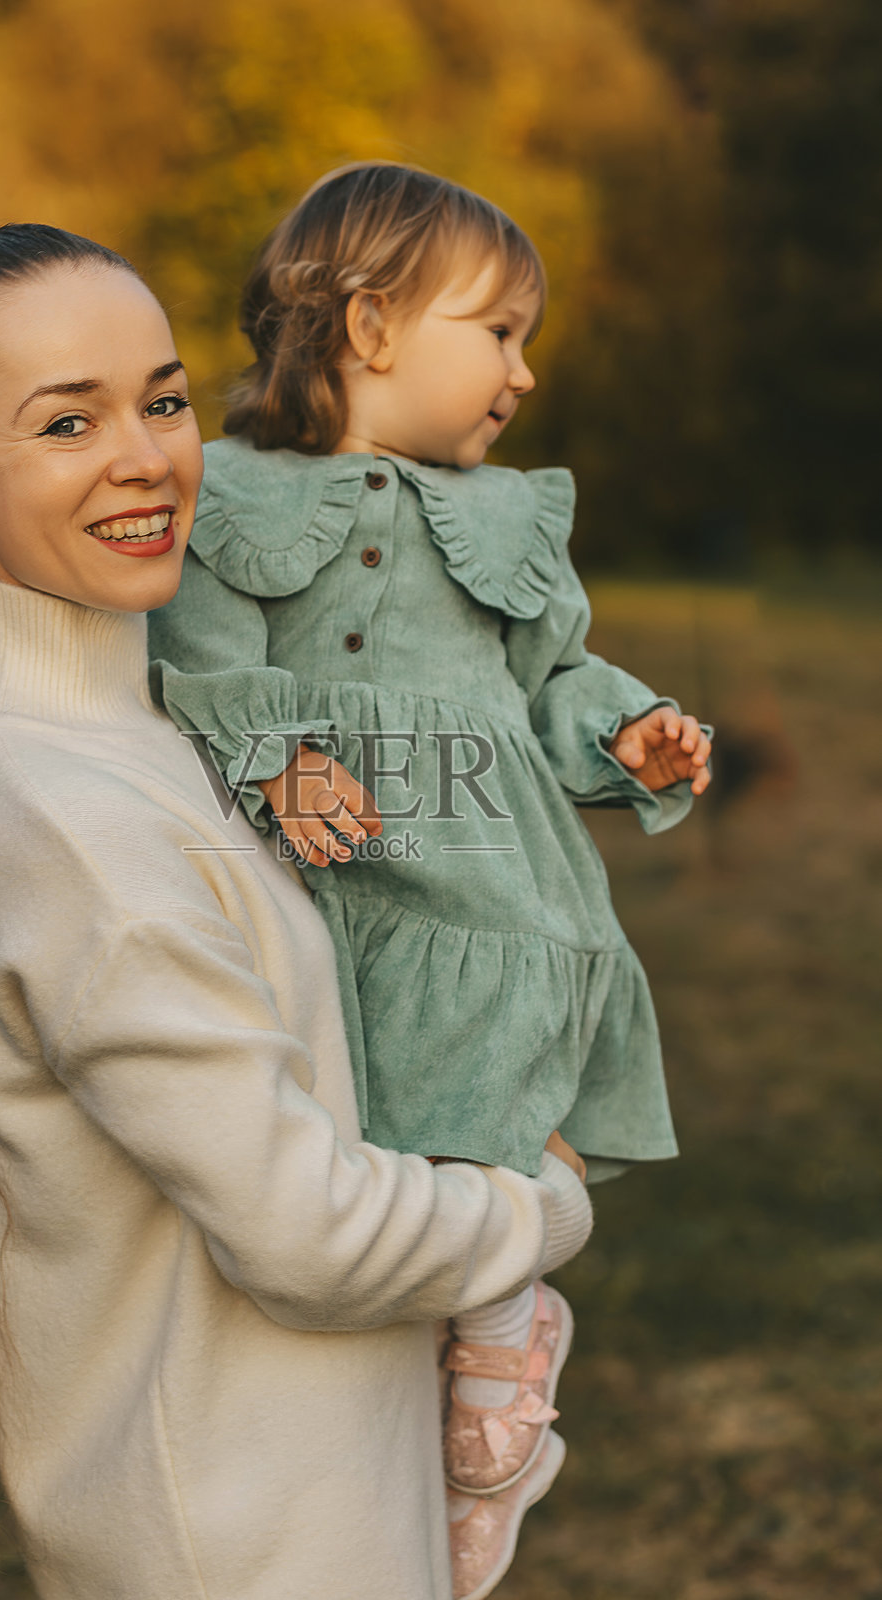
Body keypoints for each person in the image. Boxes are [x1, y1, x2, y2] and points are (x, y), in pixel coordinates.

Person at [0, 222, 594, 1600]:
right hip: (230, 1549)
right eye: (68, 421)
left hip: (305, 1507)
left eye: (163, 400)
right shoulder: (69, 825)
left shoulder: (153, 729)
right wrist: (535, 1203)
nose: (146, 458)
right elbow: (306, 1231)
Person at [149, 161, 713, 1586]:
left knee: (484, 1106)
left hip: (489, 892)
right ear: (373, 323)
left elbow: (554, 680)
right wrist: (280, 756)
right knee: (349, 1159)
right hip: (333, 889)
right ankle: (388, 1437)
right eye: (501, 329)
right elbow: (198, 669)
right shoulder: (222, 500)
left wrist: (625, 731)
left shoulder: (510, 518)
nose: (524, 370)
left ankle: (502, 1335)